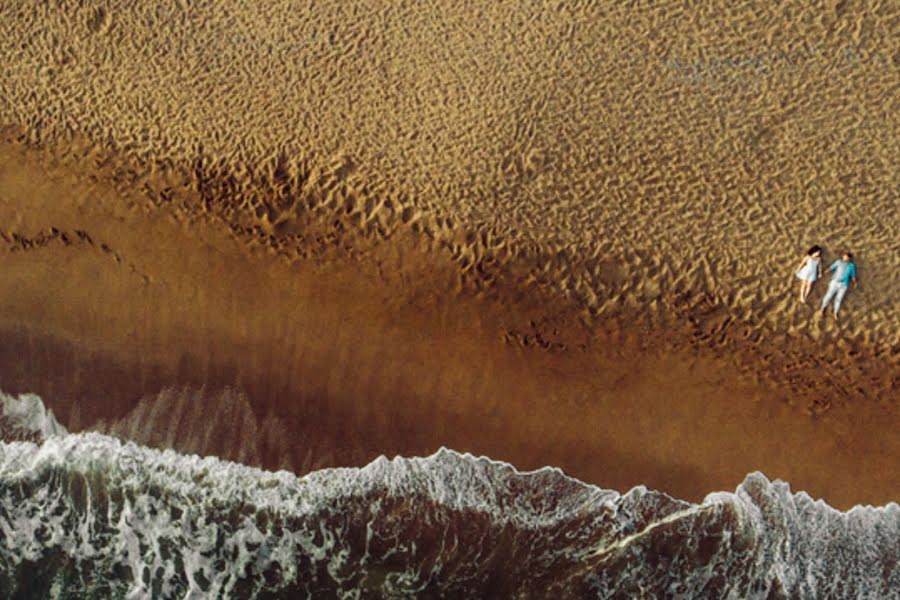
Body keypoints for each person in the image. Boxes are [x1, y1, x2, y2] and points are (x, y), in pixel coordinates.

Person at [820, 252, 859, 319]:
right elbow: (832, 267)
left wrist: (854, 282)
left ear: (849, 258)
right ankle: (822, 309)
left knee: (839, 299)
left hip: (844, 285)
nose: (845, 258)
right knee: (828, 295)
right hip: (835, 282)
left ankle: (835, 312)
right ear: (843, 257)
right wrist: (825, 271)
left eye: (847, 257)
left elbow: (853, 275)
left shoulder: (851, 266)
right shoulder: (839, 262)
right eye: (844, 256)